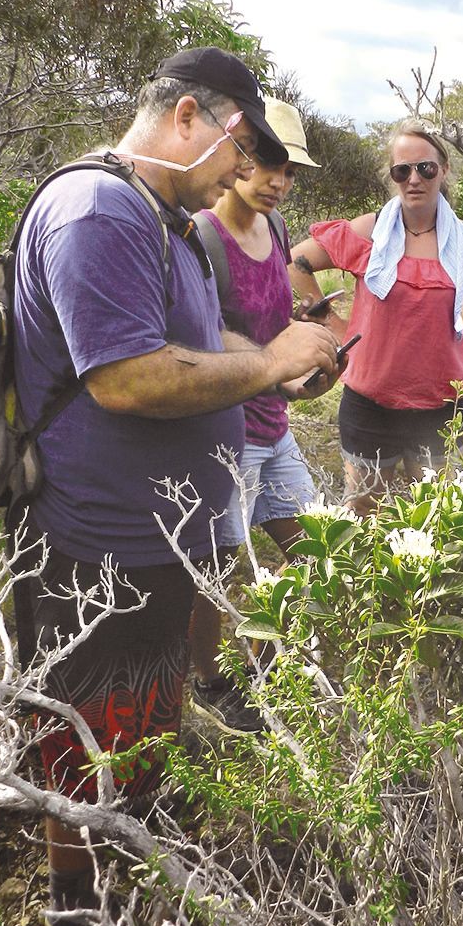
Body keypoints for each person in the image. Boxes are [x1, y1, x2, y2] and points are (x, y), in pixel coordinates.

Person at [11, 47, 341, 926]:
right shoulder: (99, 211)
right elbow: (124, 376)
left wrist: (282, 357)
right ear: (189, 115)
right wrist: (268, 363)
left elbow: (203, 341)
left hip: (158, 536)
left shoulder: (163, 218)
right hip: (98, 539)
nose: (242, 172)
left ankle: (136, 857)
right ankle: (76, 907)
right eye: (237, 149)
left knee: (143, 708)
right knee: (81, 717)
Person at [188, 99, 321, 724]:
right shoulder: (202, 234)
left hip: (275, 425)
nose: (278, 182)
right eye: (268, 163)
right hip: (225, 432)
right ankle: (208, 681)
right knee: (215, 567)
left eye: (290, 170)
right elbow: (199, 338)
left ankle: (267, 664)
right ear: (238, 156)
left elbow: (273, 325)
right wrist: (270, 363)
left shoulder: (278, 230)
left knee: (314, 549)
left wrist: (308, 360)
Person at [288, 121, 463, 514]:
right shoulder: (372, 230)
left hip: (441, 406)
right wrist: (334, 324)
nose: (414, 179)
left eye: (425, 168)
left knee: (434, 520)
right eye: (403, 171)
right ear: (393, 176)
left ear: (443, 169)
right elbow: (296, 264)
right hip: (370, 403)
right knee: (363, 517)